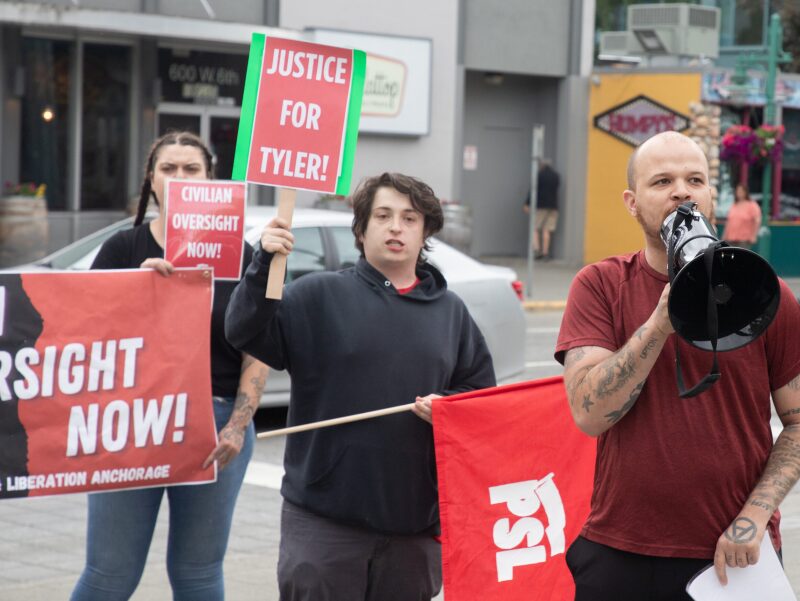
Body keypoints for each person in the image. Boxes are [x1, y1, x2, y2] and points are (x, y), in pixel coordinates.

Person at [556, 131, 800, 600]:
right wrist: (661, 322)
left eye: (695, 180)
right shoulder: (600, 285)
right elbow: (589, 412)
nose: (682, 191)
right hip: (621, 552)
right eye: (662, 181)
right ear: (632, 202)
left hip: (732, 557)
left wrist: (753, 518)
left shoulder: (764, 292)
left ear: (710, 197)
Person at [225, 172, 496, 601]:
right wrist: (262, 268)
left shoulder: (451, 313)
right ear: (361, 228)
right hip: (323, 523)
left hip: (415, 528)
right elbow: (243, 331)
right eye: (383, 215)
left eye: (410, 218)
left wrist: (447, 407)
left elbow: (480, 400)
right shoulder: (318, 295)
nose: (395, 227)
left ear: (425, 232)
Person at [71, 131, 269, 601]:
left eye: (191, 169)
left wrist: (238, 425)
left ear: (211, 180)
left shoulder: (242, 256)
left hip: (214, 423)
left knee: (198, 574)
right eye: (168, 168)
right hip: (131, 421)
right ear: (151, 181)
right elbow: (85, 340)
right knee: (109, 574)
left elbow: (256, 353)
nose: (179, 178)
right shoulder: (123, 248)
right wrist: (134, 291)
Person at [523, 160, 561, 260]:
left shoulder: (539, 175)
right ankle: (545, 253)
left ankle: (536, 250)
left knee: (535, 228)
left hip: (540, 206)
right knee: (547, 230)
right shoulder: (556, 176)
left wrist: (527, 203)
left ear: (542, 166)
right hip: (553, 207)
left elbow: (534, 190)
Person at [722, 183, 762, 250]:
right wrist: (724, 236)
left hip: (744, 240)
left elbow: (757, 221)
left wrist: (753, 236)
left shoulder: (752, 205)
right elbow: (729, 222)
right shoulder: (734, 205)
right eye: (737, 191)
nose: (739, 193)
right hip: (731, 239)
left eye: (741, 191)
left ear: (745, 192)